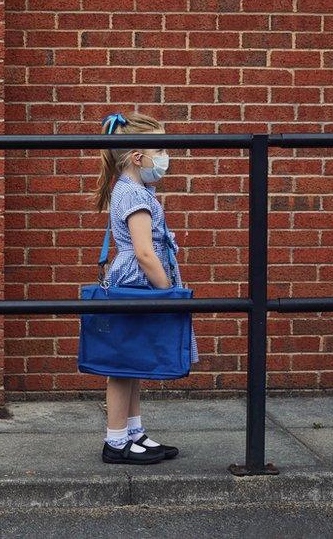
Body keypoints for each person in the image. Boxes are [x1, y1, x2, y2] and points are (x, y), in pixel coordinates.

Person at [94, 111, 199, 465]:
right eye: (159, 149)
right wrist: (169, 292)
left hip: (135, 284)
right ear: (138, 158)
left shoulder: (130, 190)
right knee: (123, 366)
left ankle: (132, 433)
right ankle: (115, 441)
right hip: (139, 286)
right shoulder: (136, 196)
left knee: (133, 361)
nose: (165, 157)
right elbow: (144, 252)